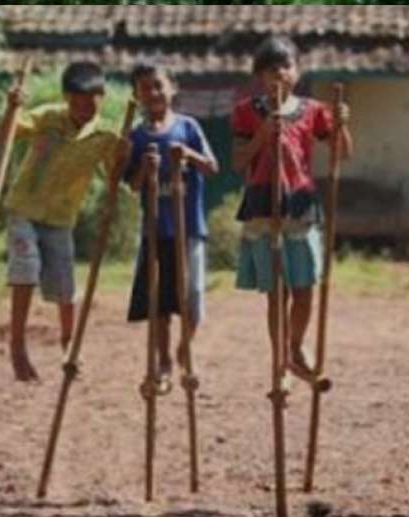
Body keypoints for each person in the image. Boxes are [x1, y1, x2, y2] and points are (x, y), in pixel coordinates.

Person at [0, 61, 129, 381]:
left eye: (92, 101)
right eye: (78, 101)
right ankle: (17, 347)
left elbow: (116, 178)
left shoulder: (105, 137)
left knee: (65, 286)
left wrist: (124, 156)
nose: (84, 109)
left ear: (102, 97)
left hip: (60, 219)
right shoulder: (48, 117)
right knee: (26, 266)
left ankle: (70, 344)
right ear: (66, 98)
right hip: (24, 209)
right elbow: (7, 136)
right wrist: (11, 109)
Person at [231, 35, 353, 379]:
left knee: (304, 286)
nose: (279, 75)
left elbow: (341, 152)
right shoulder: (246, 111)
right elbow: (239, 161)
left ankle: (296, 346)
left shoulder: (312, 111)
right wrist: (261, 136)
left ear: (297, 71)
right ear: (260, 77)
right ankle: (280, 360)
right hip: (262, 205)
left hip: (299, 204)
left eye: (286, 67)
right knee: (276, 293)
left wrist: (342, 124)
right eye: (271, 70)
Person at [125, 62, 218, 381]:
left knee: (192, 298)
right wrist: (145, 169)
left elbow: (211, 167)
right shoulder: (135, 137)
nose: (152, 93)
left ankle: (184, 348)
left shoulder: (188, 127)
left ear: (172, 88)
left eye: (158, 86)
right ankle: (163, 360)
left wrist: (188, 156)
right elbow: (132, 185)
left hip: (189, 229)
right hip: (156, 231)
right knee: (160, 303)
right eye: (144, 88)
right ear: (136, 95)